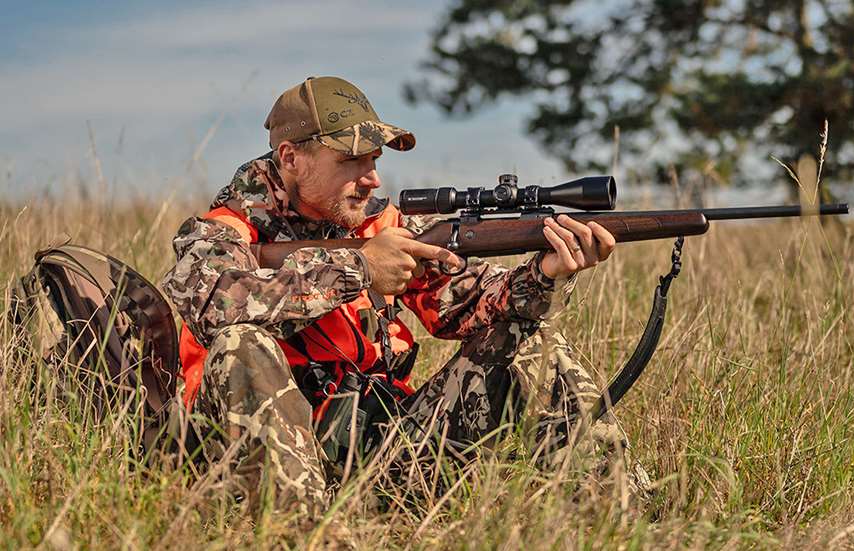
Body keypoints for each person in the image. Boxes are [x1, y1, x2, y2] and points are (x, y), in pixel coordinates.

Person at [161, 76, 626, 517]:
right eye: (351, 160)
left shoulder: (382, 227)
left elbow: (467, 304)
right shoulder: (222, 232)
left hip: (384, 450)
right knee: (242, 342)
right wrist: (360, 269)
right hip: (254, 469)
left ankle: (619, 515)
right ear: (290, 158)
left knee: (529, 341)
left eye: (375, 160)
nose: (373, 179)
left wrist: (545, 273)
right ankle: (304, 534)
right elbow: (216, 306)